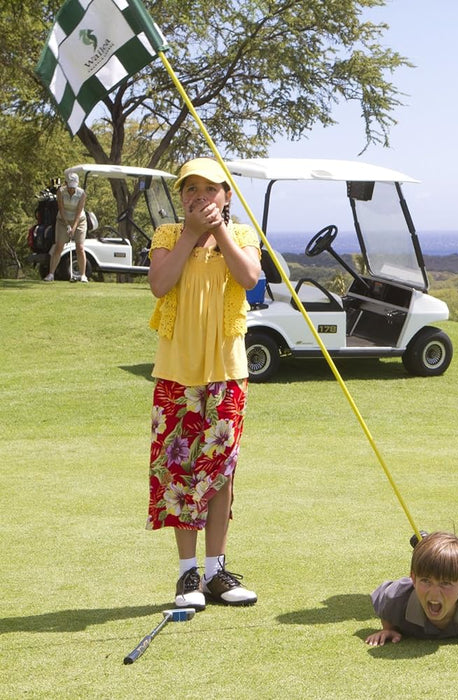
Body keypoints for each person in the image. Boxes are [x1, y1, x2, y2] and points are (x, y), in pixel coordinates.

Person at [146, 157, 262, 610]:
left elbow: (250, 278)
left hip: (227, 373)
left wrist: (219, 235)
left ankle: (216, 572)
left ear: (226, 195)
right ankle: (187, 574)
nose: (198, 196)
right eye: (189, 189)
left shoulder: (243, 236)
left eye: (209, 189)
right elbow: (160, 284)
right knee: (178, 473)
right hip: (176, 373)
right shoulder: (169, 236)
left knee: (219, 474)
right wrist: (193, 235)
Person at [366, 531, 458, 645]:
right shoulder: (396, 597)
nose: (434, 593)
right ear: (413, 580)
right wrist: (388, 628)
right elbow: (382, 597)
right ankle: (426, 547)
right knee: (433, 564)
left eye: (445, 583)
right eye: (426, 581)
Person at [44, 172, 88, 282]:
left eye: (74, 187)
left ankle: (83, 275)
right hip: (62, 221)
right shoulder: (61, 192)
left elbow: (78, 212)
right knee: (59, 246)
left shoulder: (82, 194)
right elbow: (61, 209)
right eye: (70, 186)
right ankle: (51, 274)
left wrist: (73, 227)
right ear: (66, 183)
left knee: (80, 247)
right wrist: (67, 225)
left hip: (80, 221)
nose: (72, 189)